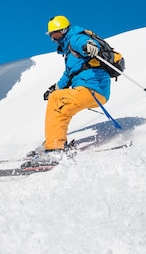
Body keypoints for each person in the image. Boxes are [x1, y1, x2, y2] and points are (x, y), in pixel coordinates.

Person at [30, 15, 112, 163]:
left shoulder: (75, 38)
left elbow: (85, 43)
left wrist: (89, 45)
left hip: (93, 88)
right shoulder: (70, 54)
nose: (54, 39)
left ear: (64, 30)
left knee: (57, 100)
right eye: (51, 36)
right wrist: (54, 88)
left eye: (55, 34)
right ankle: (55, 141)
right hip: (89, 90)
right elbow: (68, 75)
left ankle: (55, 149)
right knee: (59, 104)